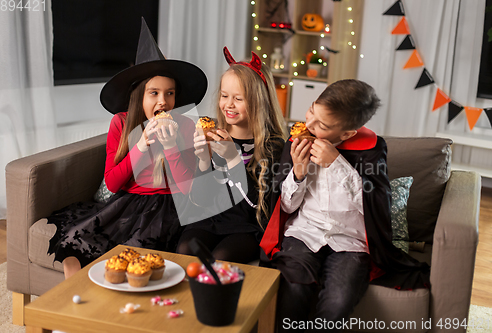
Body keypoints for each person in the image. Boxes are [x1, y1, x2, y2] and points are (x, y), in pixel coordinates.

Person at [259, 79, 430, 332]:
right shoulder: (295, 143)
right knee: (293, 288)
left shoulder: (371, 150)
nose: (309, 125)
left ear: (347, 133)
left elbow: (376, 206)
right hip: (305, 231)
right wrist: (298, 173)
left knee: (338, 302)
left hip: (350, 241)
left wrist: (337, 164)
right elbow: (284, 207)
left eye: (323, 125)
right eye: (311, 112)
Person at [47, 18, 208, 279]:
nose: (163, 101)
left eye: (170, 93)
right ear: (139, 96)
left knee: (137, 253)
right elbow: (112, 183)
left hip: (169, 206)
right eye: (154, 93)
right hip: (127, 203)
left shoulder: (186, 127)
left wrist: (169, 147)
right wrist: (142, 145)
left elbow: (186, 188)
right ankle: (73, 300)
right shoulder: (121, 123)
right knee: (74, 241)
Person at [175, 47, 286, 264]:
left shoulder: (273, 146)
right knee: (186, 249)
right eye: (225, 96)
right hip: (210, 220)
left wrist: (234, 159)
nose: (229, 105)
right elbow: (201, 200)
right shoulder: (214, 134)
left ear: (258, 102)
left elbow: (259, 207)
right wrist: (205, 161)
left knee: (221, 258)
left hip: (247, 225)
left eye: (239, 99)